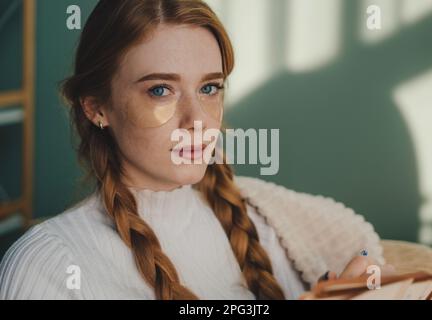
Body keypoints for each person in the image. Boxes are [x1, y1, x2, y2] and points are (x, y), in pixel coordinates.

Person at [0, 0, 393, 300]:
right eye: (160, 90)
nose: (198, 121)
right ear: (96, 108)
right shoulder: (49, 264)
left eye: (209, 88)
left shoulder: (265, 224)